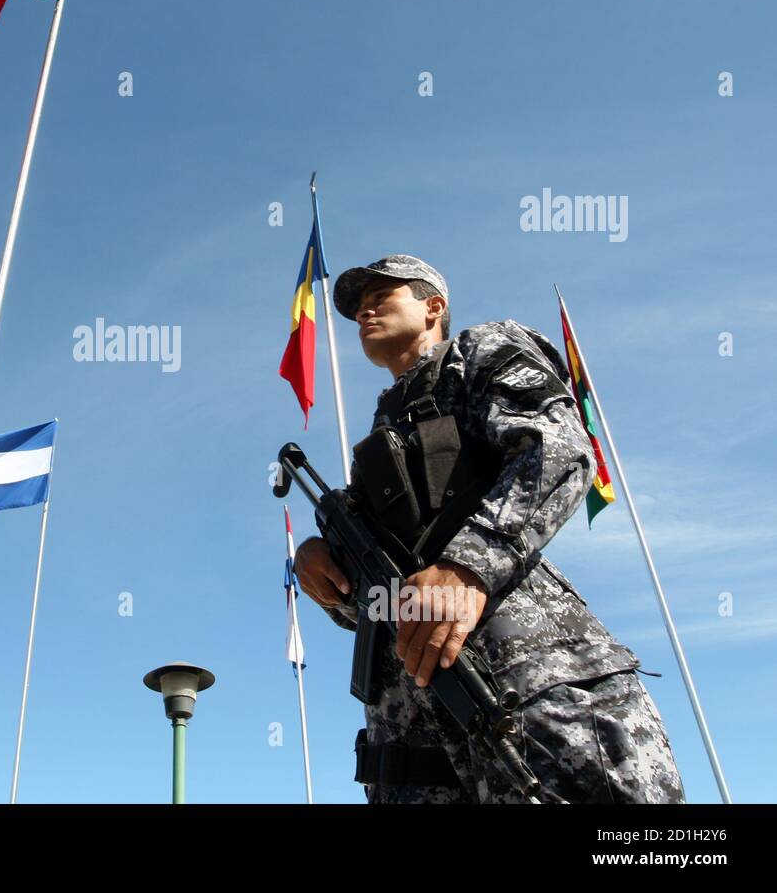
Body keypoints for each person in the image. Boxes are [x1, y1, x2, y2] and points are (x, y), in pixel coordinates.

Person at [293, 254, 685, 803]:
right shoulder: (381, 436)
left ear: (434, 307)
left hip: (523, 680)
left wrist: (466, 566)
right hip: (415, 742)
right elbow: (379, 606)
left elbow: (556, 449)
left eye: (382, 296)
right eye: (358, 307)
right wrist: (326, 572)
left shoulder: (479, 351)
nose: (365, 312)